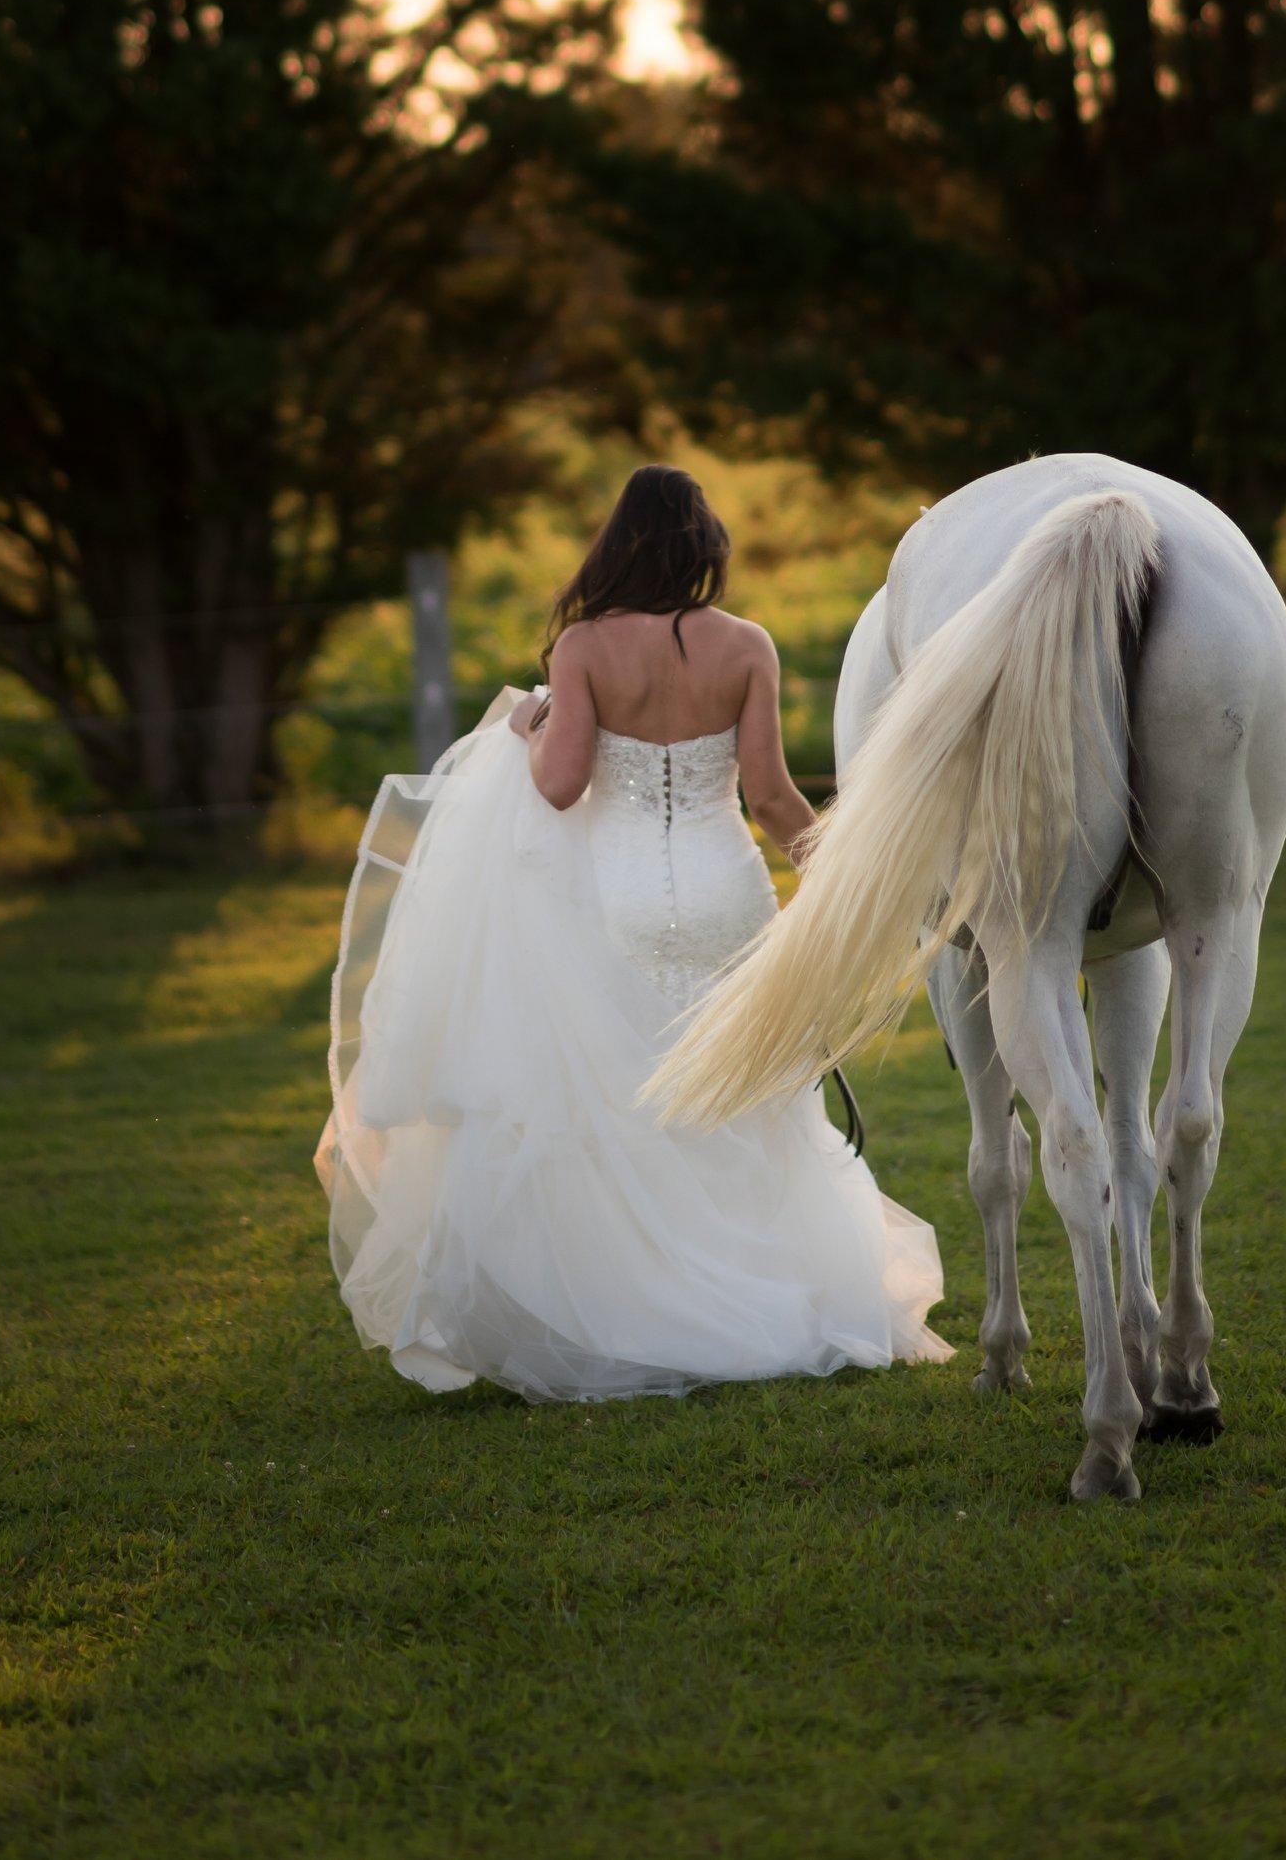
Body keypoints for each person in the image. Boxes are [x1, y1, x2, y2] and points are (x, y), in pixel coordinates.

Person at [316, 464, 950, 1400]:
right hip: (726, 889)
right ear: (705, 548)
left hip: (614, 901)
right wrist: (848, 879)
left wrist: (529, 727)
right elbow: (772, 797)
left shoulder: (581, 648)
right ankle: (771, 1294)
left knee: (618, 1099)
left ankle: (640, 1308)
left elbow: (561, 784)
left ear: (618, 544)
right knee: (741, 1095)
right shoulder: (747, 646)